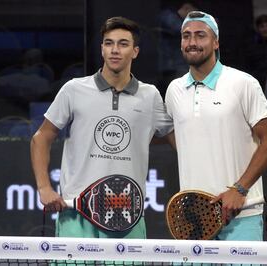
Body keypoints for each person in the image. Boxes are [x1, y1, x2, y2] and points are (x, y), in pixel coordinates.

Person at [30, 16, 173, 239]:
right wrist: (44, 188)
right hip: (75, 215)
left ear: (135, 51)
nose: (115, 50)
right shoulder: (74, 89)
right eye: (109, 43)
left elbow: (180, 142)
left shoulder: (151, 96)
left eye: (123, 44)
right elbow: (41, 137)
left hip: (127, 215)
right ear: (102, 49)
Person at [165, 11, 267, 241]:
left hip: (242, 217)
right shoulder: (173, 90)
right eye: (186, 36)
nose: (192, 42)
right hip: (194, 220)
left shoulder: (243, 83)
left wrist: (239, 189)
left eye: (200, 35)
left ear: (216, 42)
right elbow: (170, 129)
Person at [156, 1, 198, 96]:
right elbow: (179, 29)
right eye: (192, 14)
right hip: (171, 65)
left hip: (177, 64)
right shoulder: (168, 16)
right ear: (187, 8)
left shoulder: (174, 18)